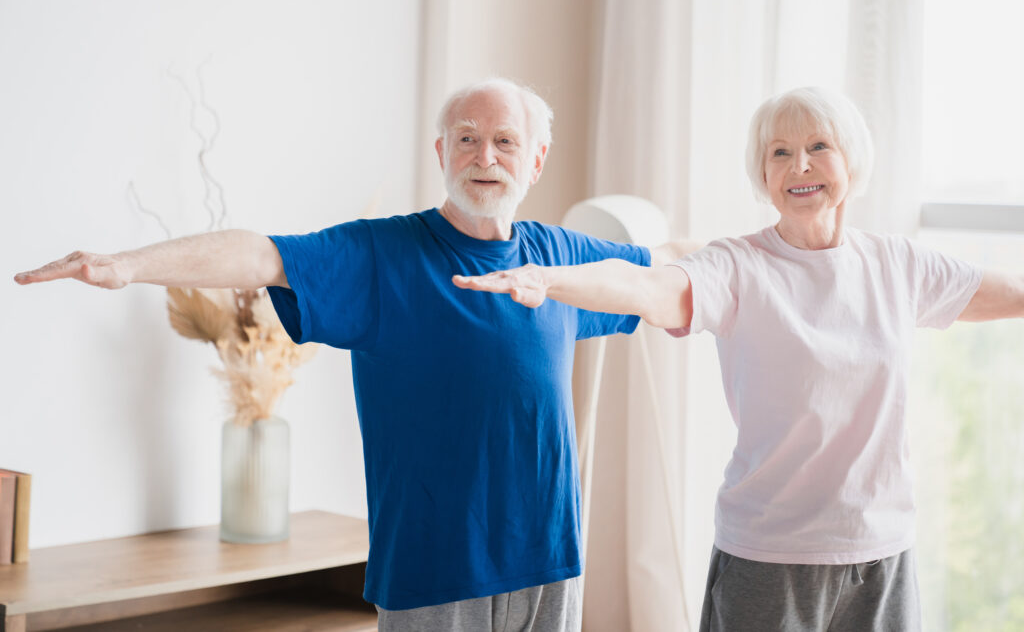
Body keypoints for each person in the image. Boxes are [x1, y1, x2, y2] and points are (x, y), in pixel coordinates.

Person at [14, 78, 698, 632]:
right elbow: (262, 253)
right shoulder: (382, 255)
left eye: (503, 141)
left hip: (550, 562)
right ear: (441, 154)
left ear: (536, 159)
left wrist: (787, 253)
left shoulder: (559, 255)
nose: (484, 157)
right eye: (467, 140)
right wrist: (125, 265)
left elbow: (662, 270)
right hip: (435, 571)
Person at [454, 86, 1024, 631]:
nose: (799, 165)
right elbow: (645, 286)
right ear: (764, 173)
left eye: (818, 147)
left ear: (852, 159)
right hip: (769, 557)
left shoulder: (897, 265)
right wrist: (548, 279)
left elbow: (1001, 293)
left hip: (883, 554)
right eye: (780, 152)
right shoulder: (738, 266)